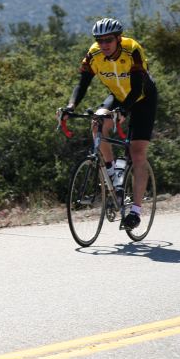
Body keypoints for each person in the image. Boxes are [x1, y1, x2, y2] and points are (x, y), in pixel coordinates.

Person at [62, 17, 157, 230]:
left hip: (142, 98)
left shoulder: (132, 49)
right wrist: (70, 107)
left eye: (108, 40)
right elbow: (82, 84)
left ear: (118, 38)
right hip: (117, 95)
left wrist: (124, 110)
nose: (104, 45)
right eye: (100, 40)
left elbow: (137, 88)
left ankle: (136, 211)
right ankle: (113, 173)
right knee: (97, 122)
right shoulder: (94, 54)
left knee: (137, 152)